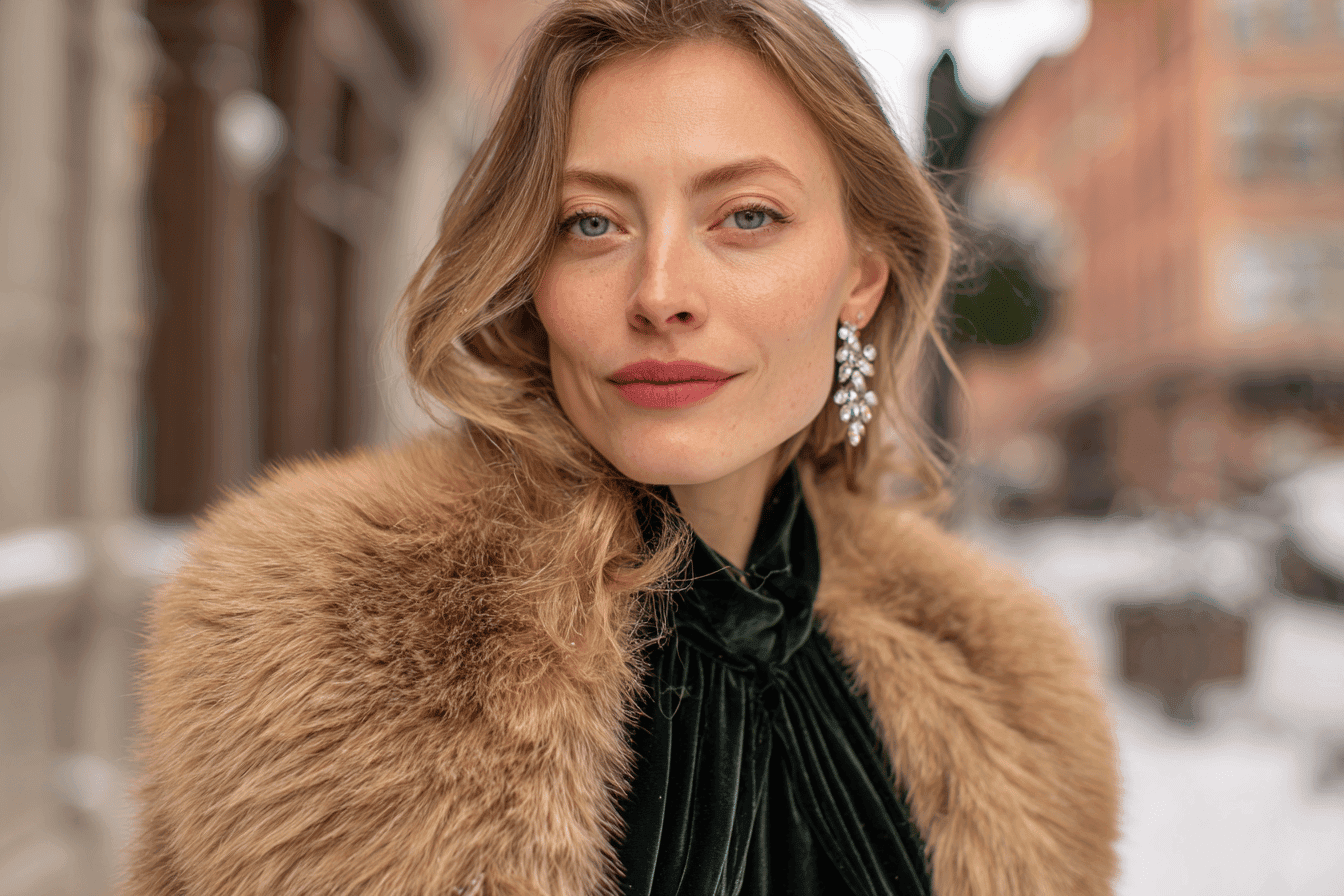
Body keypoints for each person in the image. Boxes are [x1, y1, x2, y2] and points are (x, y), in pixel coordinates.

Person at [125, 1, 1119, 894]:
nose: (660, 290)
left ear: (860, 276)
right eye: (592, 222)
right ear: (530, 269)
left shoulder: (1008, 695)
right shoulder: (317, 641)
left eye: (747, 217)